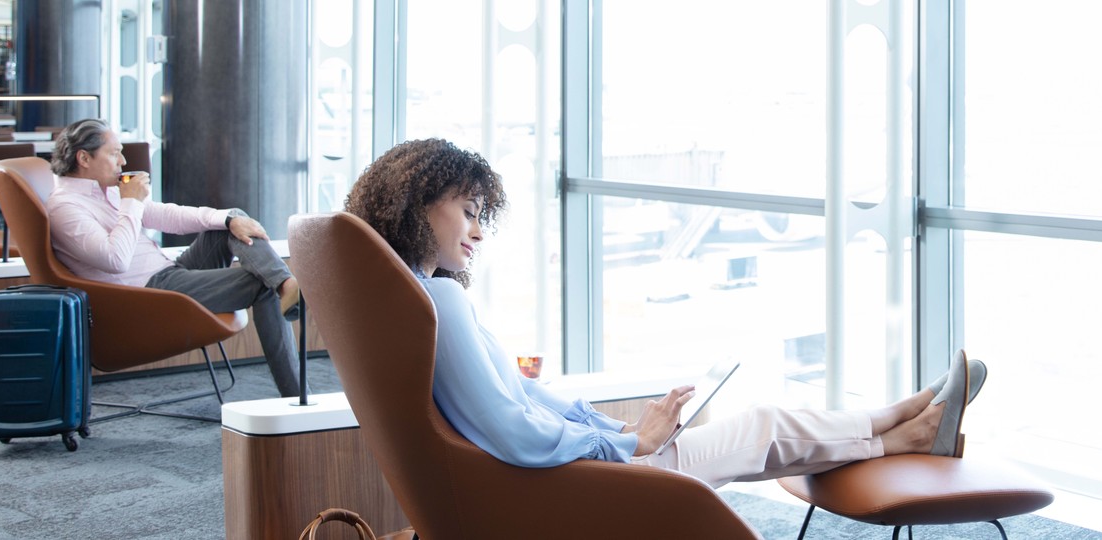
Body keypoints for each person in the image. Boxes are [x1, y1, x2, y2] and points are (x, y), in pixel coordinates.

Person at [343, 138, 988, 488]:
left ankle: (900, 426)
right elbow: (511, 431)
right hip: (576, 487)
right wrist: (629, 446)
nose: (479, 230)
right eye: (469, 209)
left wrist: (617, 431)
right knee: (762, 427)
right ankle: (901, 422)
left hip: (566, 473)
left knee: (762, 441)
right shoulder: (442, 302)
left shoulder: (411, 300)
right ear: (418, 204)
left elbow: (519, 403)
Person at [45, 118, 304, 397]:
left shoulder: (106, 191)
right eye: (113, 153)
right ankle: (297, 396)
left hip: (169, 273)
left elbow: (168, 215)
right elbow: (115, 259)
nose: (122, 160)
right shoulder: (66, 208)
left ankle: (284, 283)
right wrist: (131, 202)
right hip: (146, 295)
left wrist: (226, 219)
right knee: (262, 284)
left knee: (233, 219)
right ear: (84, 158)